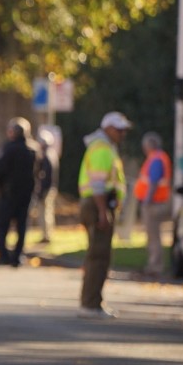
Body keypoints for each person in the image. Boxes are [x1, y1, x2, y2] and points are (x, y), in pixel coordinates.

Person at [77, 111, 131, 318]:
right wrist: (102, 212)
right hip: (97, 205)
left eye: (124, 130)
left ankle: (92, 302)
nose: (122, 134)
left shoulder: (106, 147)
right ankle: (90, 304)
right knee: (98, 256)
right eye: (119, 130)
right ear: (108, 128)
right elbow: (98, 184)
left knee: (98, 256)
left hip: (98, 205)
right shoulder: (101, 149)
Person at [0, 117, 38, 267]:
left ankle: (3, 255)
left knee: (1, 224)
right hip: (26, 194)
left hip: (8, 193)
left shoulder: (8, 148)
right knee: (22, 226)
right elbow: (40, 171)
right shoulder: (33, 149)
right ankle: (17, 256)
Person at [135, 131, 172, 277]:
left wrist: (147, 201)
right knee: (153, 236)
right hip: (156, 201)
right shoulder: (157, 158)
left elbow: (153, 182)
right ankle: (154, 265)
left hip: (154, 203)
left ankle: (155, 266)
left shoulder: (156, 159)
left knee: (153, 236)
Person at [34, 125, 60, 244]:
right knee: (47, 212)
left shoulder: (47, 156)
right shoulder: (53, 154)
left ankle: (46, 235)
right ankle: (47, 234)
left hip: (47, 188)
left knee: (45, 212)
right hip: (51, 187)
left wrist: (41, 190)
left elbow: (46, 176)